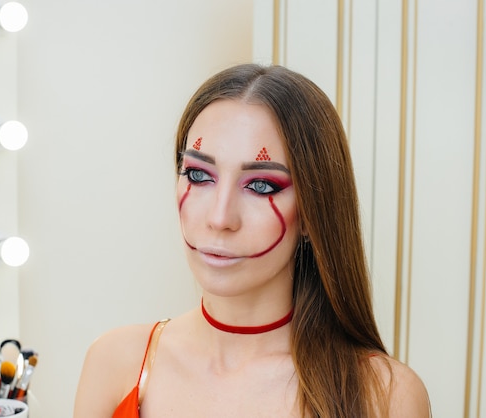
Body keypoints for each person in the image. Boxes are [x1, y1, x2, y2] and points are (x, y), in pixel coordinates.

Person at [74, 63, 431, 417]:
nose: (219, 218)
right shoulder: (115, 362)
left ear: (311, 213)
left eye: (261, 186)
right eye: (198, 175)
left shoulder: (385, 395)